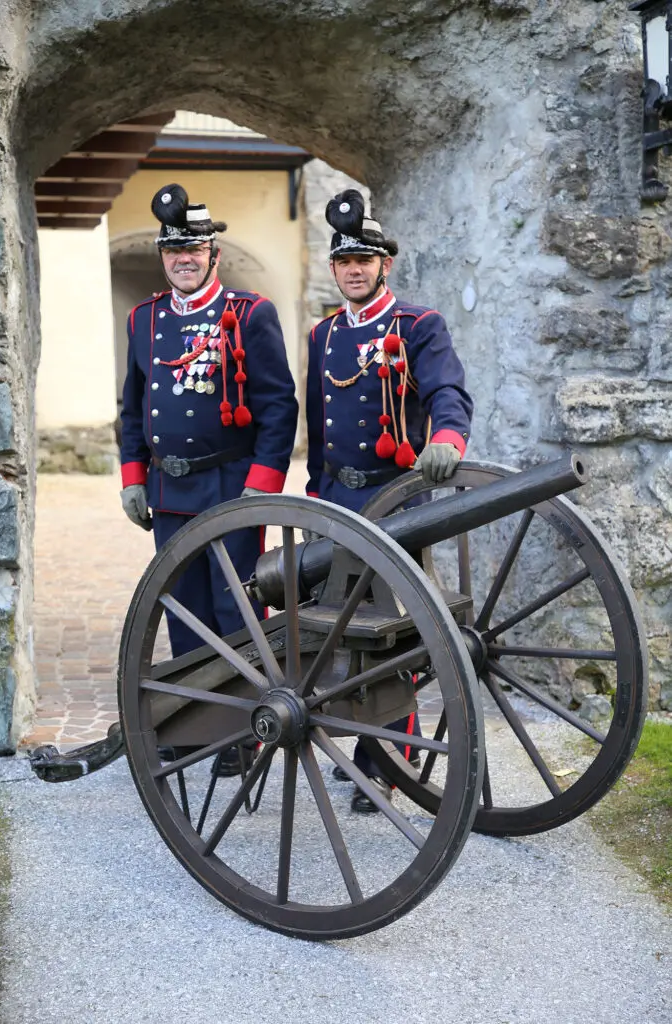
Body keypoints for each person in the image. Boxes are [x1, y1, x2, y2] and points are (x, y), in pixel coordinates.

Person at [120, 183, 298, 771]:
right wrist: (132, 476)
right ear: (163, 257)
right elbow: (132, 406)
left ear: (213, 253)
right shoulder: (144, 320)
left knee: (236, 610)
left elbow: (278, 404)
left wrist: (263, 483)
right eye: (174, 250)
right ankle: (198, 723)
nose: (184, 258)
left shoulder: (249, 314)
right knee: (183, 606)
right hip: (170, 492)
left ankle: (246, 729)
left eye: (194, 248)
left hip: (230, 488)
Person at [305, 188, 473, 812]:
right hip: (339, 503)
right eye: (345, 262)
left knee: (391, 639)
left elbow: (449, 394)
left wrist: (447, 441)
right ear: (334, 269)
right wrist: (313, 503)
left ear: (385, 267)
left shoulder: (417, 327)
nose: (355, 271)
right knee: (342, 637)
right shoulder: (323, 337)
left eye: (366, 261)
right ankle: (357, 752)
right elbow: (319, 434)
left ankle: (391, 763)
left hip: (396, 501)